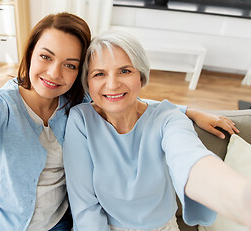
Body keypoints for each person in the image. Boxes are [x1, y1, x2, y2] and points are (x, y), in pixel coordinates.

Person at [0, 13, 240, 231]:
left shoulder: (79, 103)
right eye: (45, 57)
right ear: (29, 56)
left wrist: (187, 111)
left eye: (71, 65)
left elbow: (130, 100)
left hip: (55, 225)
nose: (55, 74)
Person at [63, 30, 251, 231]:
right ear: (88, 83)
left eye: (125, 71)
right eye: (99, 74)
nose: (113, 84)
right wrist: (190, 110)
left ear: (141, 77)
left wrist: (242, 199)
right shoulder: (81, 120)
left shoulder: (167, 118)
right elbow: (84, 207)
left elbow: (190, 158)